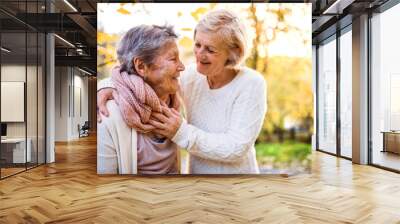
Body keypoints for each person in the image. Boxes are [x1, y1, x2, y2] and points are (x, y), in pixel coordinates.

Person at [98, 9, 267, 174]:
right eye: (198, 44)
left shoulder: (251, 83)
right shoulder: (192, 76)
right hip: (198, 187)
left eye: (210, 49)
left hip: (237, 187)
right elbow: (139, 71)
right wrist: (107, 85)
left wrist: (181, 132)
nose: (199, 54)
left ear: (234, 51)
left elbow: (236, 147)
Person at [97, 24, 185, 174]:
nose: (182, 66)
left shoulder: (175, 97)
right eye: (173, 59)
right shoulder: (108, 117)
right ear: (141, 67)